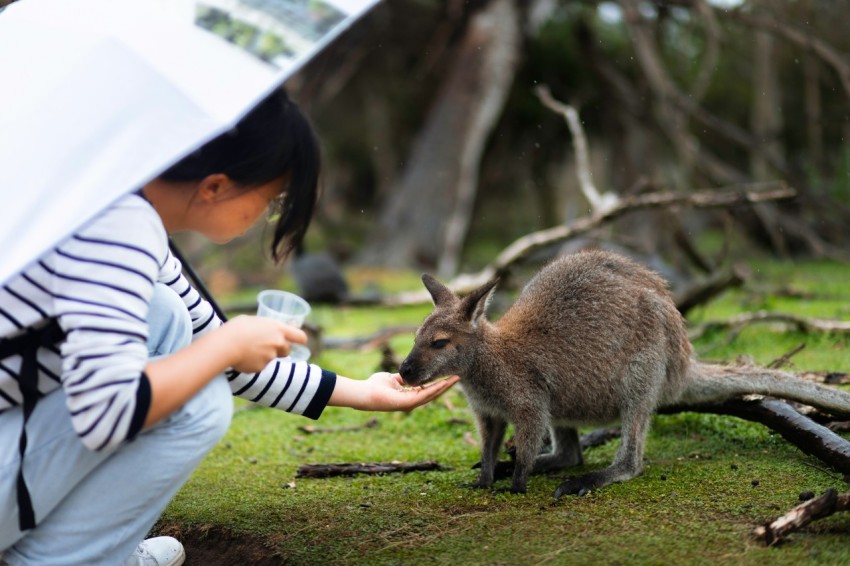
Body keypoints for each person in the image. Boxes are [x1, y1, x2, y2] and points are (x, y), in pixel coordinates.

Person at [0, 88, 459, 566]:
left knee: (166, 315)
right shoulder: (116, 229)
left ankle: (94, 550)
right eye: (272, 198)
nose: (268, 215)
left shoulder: (121, 211)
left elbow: (206, 341)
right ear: (216, 185)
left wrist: (363, 391)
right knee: (200, 401)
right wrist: (224, 347)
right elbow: (109, 409)